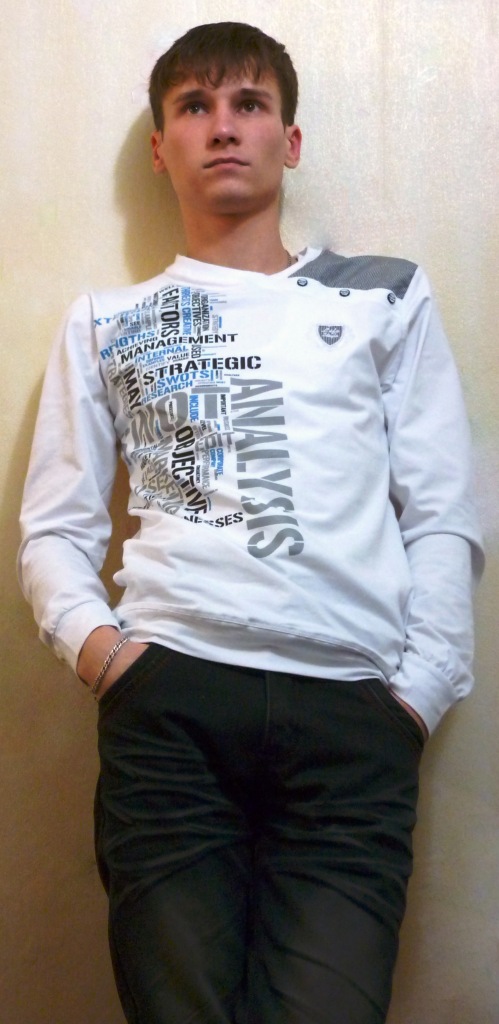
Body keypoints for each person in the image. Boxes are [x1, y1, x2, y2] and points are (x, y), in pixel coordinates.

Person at [18, 21, 484, 1024]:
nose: (223, 126)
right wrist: (110, 659)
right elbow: (53, 528)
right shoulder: (107, 320)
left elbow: (443, 510)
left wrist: (417, 693)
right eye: (194, 106)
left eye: (248, 104)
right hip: (170, 711)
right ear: (161, 147)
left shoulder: (384, 295)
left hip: (352, 721)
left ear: (290, 138)